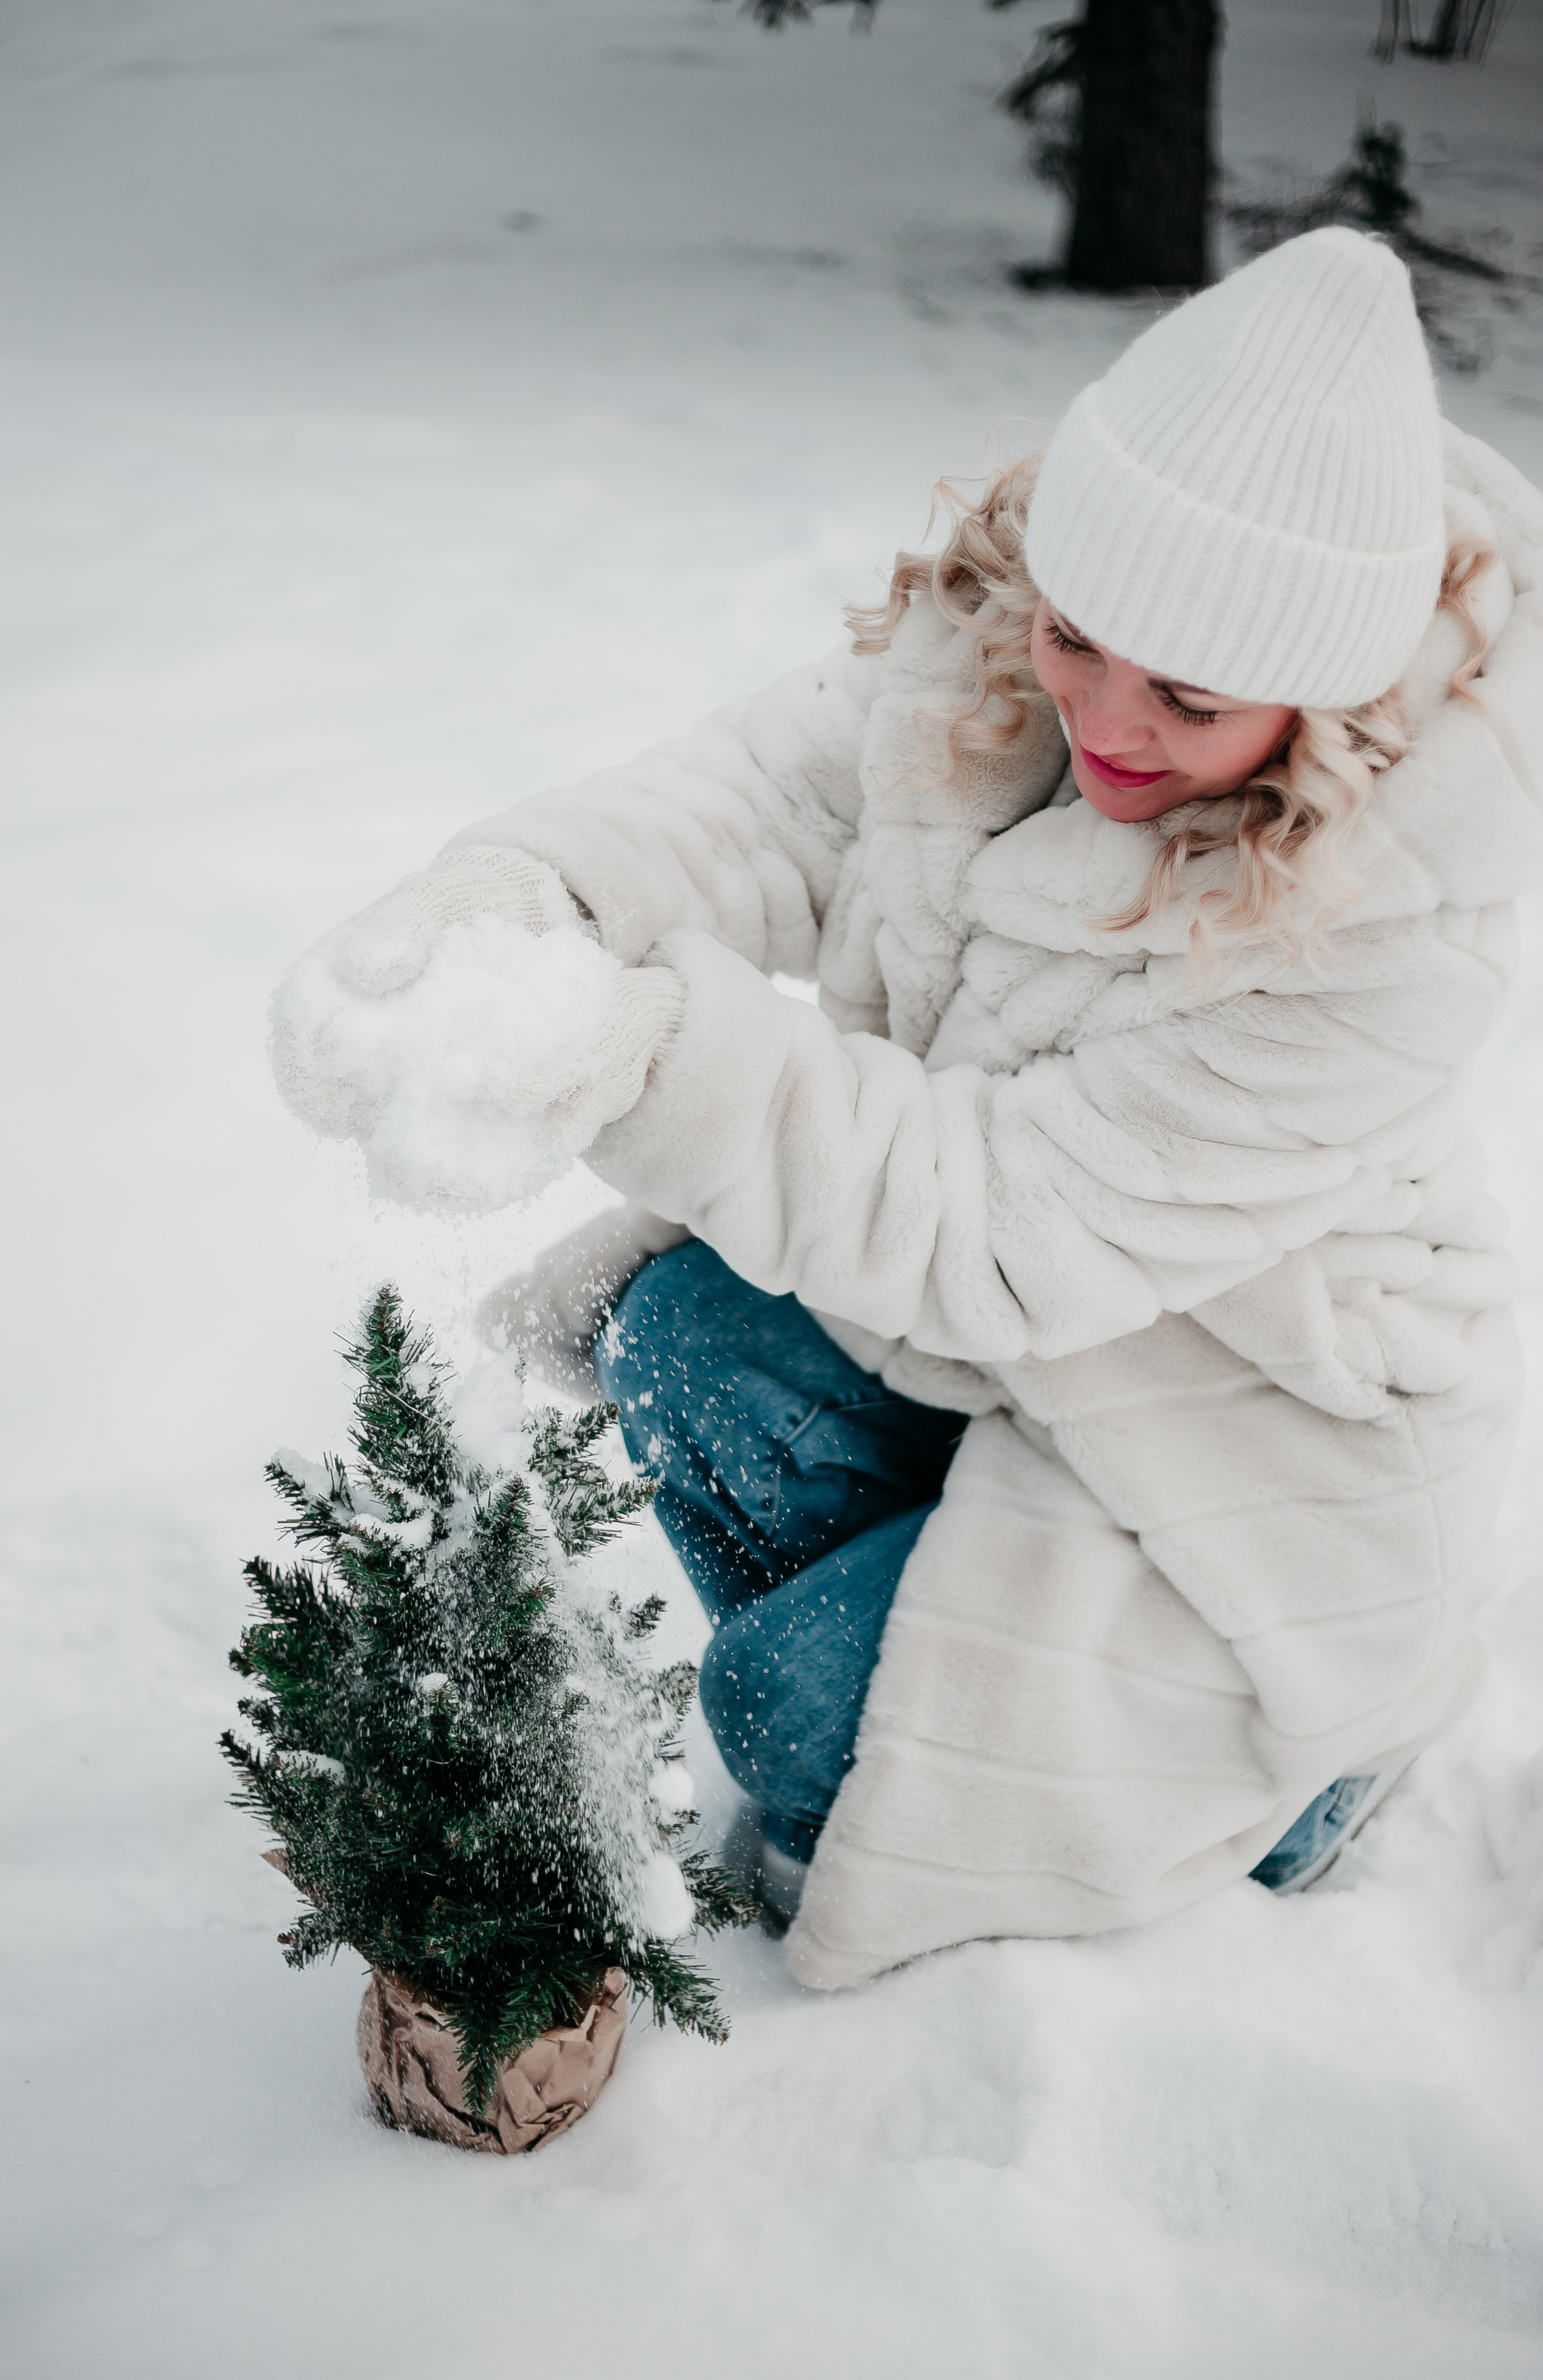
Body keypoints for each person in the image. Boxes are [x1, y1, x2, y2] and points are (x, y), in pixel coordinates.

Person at [273, 229, 1543, 1990]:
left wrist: (639, 1059)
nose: (1104, 721)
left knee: (788, 1716)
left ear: (1322, 705)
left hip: (1246, 1459)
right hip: (1021, 1346)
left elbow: (1009, 1232)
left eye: (1189, 699)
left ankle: (1292, 1788)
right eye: (1080, 639)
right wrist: (513, 901)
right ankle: (914, 1677)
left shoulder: (1392, 927)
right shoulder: (1009, 644)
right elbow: (772, 804)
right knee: (683, 1334)